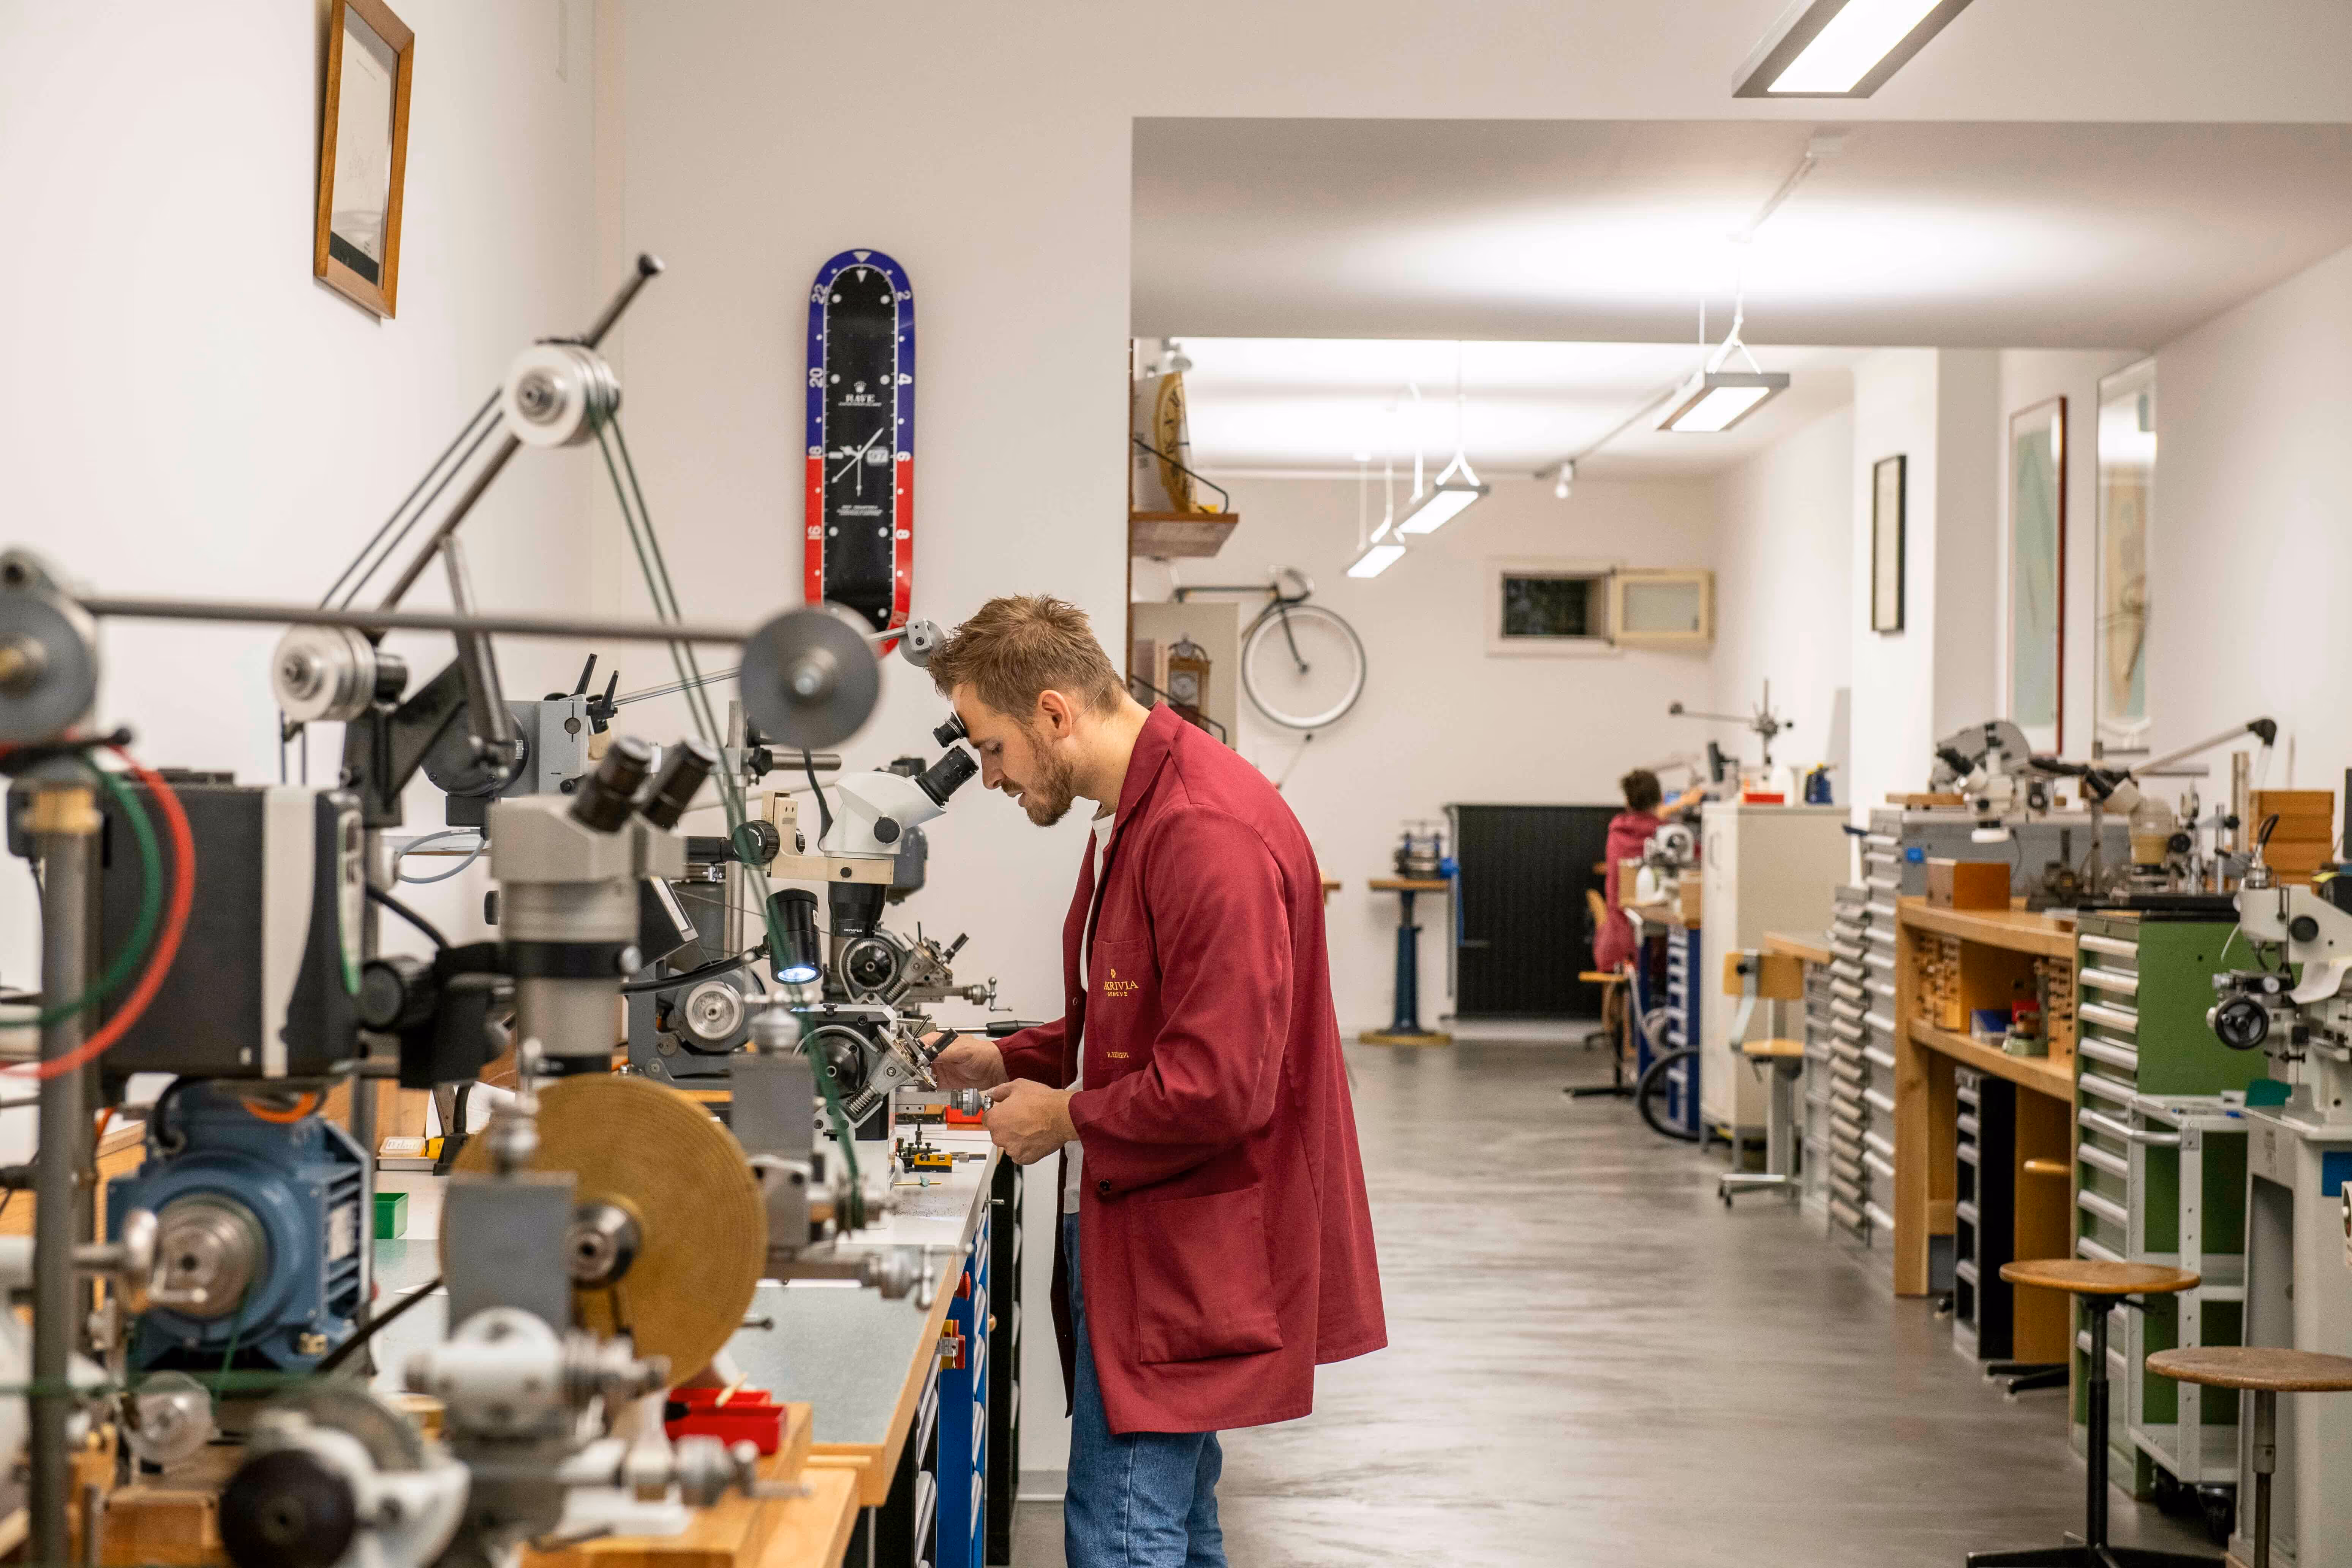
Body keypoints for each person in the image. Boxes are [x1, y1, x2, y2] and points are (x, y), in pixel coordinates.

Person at [922, 594, 1384, 1568]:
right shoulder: (1138, 808)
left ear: (1054, 712)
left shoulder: (1202, 829)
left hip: (1188, 1242)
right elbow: (1138, 1023)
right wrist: (1016, 1055)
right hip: (1154, 1227)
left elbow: (1218, 1082)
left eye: (993, 748)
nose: (990, 777)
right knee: (1178, 1528)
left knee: (1125, 1535)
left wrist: (1067, 1114)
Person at [1592, 768, 1705, 972]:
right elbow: (1700, 855)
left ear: (1628, 801)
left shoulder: (1617, 830)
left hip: (1613, 947)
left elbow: (1646, 821)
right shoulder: (1667, 836)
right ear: (1660, 798)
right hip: (1650, 952)